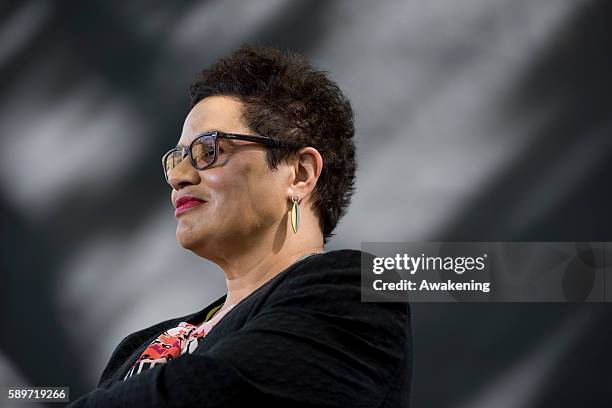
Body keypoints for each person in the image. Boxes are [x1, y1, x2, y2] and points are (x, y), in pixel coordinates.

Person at [68, 44, 412, 407]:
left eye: (208, 151)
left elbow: (210, 393)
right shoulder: (137, 346)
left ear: (300, 173)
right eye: (177, 159)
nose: (179, 178)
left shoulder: (357, 292)